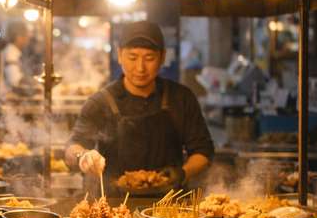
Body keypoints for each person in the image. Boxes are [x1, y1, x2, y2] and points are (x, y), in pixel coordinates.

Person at [64, 21, 214, 195]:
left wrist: (183, 172)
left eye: (149, 58)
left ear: (162, 57)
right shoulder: (100, 102)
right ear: (119, 55)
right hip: (114, 206)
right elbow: (72, 146)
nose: (140, 67)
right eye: (133, 57)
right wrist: (82, 157)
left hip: (168, 208)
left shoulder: (181, 98)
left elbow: (204, 150)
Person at [0, 21, 31, 96]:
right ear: (18, 37)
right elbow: (14, 80)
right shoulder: (10, 53)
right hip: (6, 98)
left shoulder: (11, 51)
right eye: (26, 35)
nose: (28, 39)